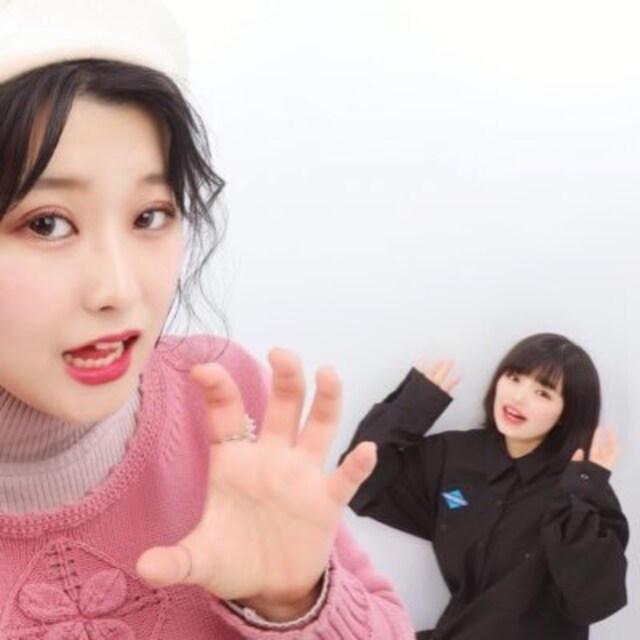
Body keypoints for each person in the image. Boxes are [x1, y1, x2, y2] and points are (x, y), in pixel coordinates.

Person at [0, 1, 416, 637]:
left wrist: (291, 603)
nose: (119, 289)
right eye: (47, 224)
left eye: (150, 216)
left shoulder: (220, 404)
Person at [344, 333, 628, 640]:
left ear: (565, 414)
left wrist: (582, 491)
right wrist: (412, 409)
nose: (518, 397)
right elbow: (359, 483)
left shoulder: (578, 489)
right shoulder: (454, 456)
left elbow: (593, 601)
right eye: (514, 377)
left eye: (543, 393)